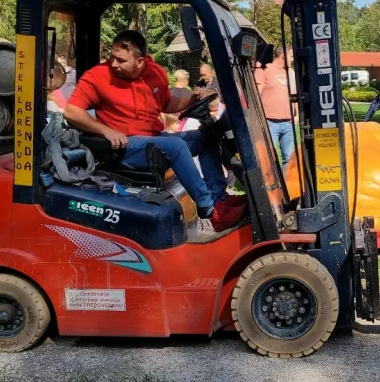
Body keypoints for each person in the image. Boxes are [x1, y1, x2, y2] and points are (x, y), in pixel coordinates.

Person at [63, 30, 245, 231]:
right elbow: (71, 112)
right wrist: (106, 130)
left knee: (206, 135)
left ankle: (220, 199)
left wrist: (191, 100)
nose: (114, 64)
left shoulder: (156, 73)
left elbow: (166, 103)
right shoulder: (98, 76)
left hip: (153, 140)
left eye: (121, 60)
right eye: (113, 57)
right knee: (175, 146)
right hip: (123, 147)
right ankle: (210, 209)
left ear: (140, 61)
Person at [255, 48, 298, 167]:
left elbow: (294, 95)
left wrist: (297, 116)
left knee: (288, 158)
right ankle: (272, 185)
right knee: (269, 159)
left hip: (289, 123)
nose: (293, 60)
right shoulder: (265, 69)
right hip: (269, 122)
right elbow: (256, 93)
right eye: (291, 56)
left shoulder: (291, 73)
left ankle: (286, 184)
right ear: (283, 55)